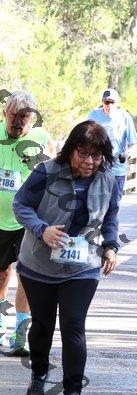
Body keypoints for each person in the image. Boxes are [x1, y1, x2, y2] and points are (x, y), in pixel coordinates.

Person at [12, 120, 119, 395]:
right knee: (42, 327)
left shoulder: (108, 179)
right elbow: (21, 205)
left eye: (96, 156)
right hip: (39, 265)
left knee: (73, 326)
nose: (89, 161)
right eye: (83, 153)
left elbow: (111, 215)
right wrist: (42, 229)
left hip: (83, 266)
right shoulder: (46, 172)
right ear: (71, 149)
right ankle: (38, 375)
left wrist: (111, 246)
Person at [0, 89, 54, 355]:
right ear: (5, 114)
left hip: (28, 220)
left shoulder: (42, 139)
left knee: (27, 274)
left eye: (24, 117)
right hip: (0, 220)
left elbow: (56, 175)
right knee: (2, 273)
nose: (18, 122)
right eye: (14, 116)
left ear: (32, 119)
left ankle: (20, 333)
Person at [88, 88, 137, 200]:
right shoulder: (93, 116)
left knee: (114, 203)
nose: (109, 105)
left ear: (117, 103)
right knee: (96, 202)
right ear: (102, 102)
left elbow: (133, 144)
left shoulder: (125, 117)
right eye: (106, 102)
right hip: (97, 167)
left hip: (117, 169)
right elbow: (85, 138)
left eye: (112, 102)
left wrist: (127, 154)